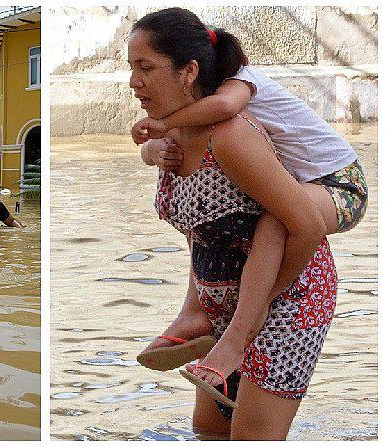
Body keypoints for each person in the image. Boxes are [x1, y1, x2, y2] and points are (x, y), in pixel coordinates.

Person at [128, 8, 340, 439]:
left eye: (146, 68)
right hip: (222, 311)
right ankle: (198, 321)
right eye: (131, 69)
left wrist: (251, 315)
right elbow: (208, 227)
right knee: (207, 432)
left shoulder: (231, 135)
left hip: (287, 304)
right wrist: (201, 310)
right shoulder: (173, 138)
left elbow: (306, 227)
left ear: (189, 71)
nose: (134, 82)